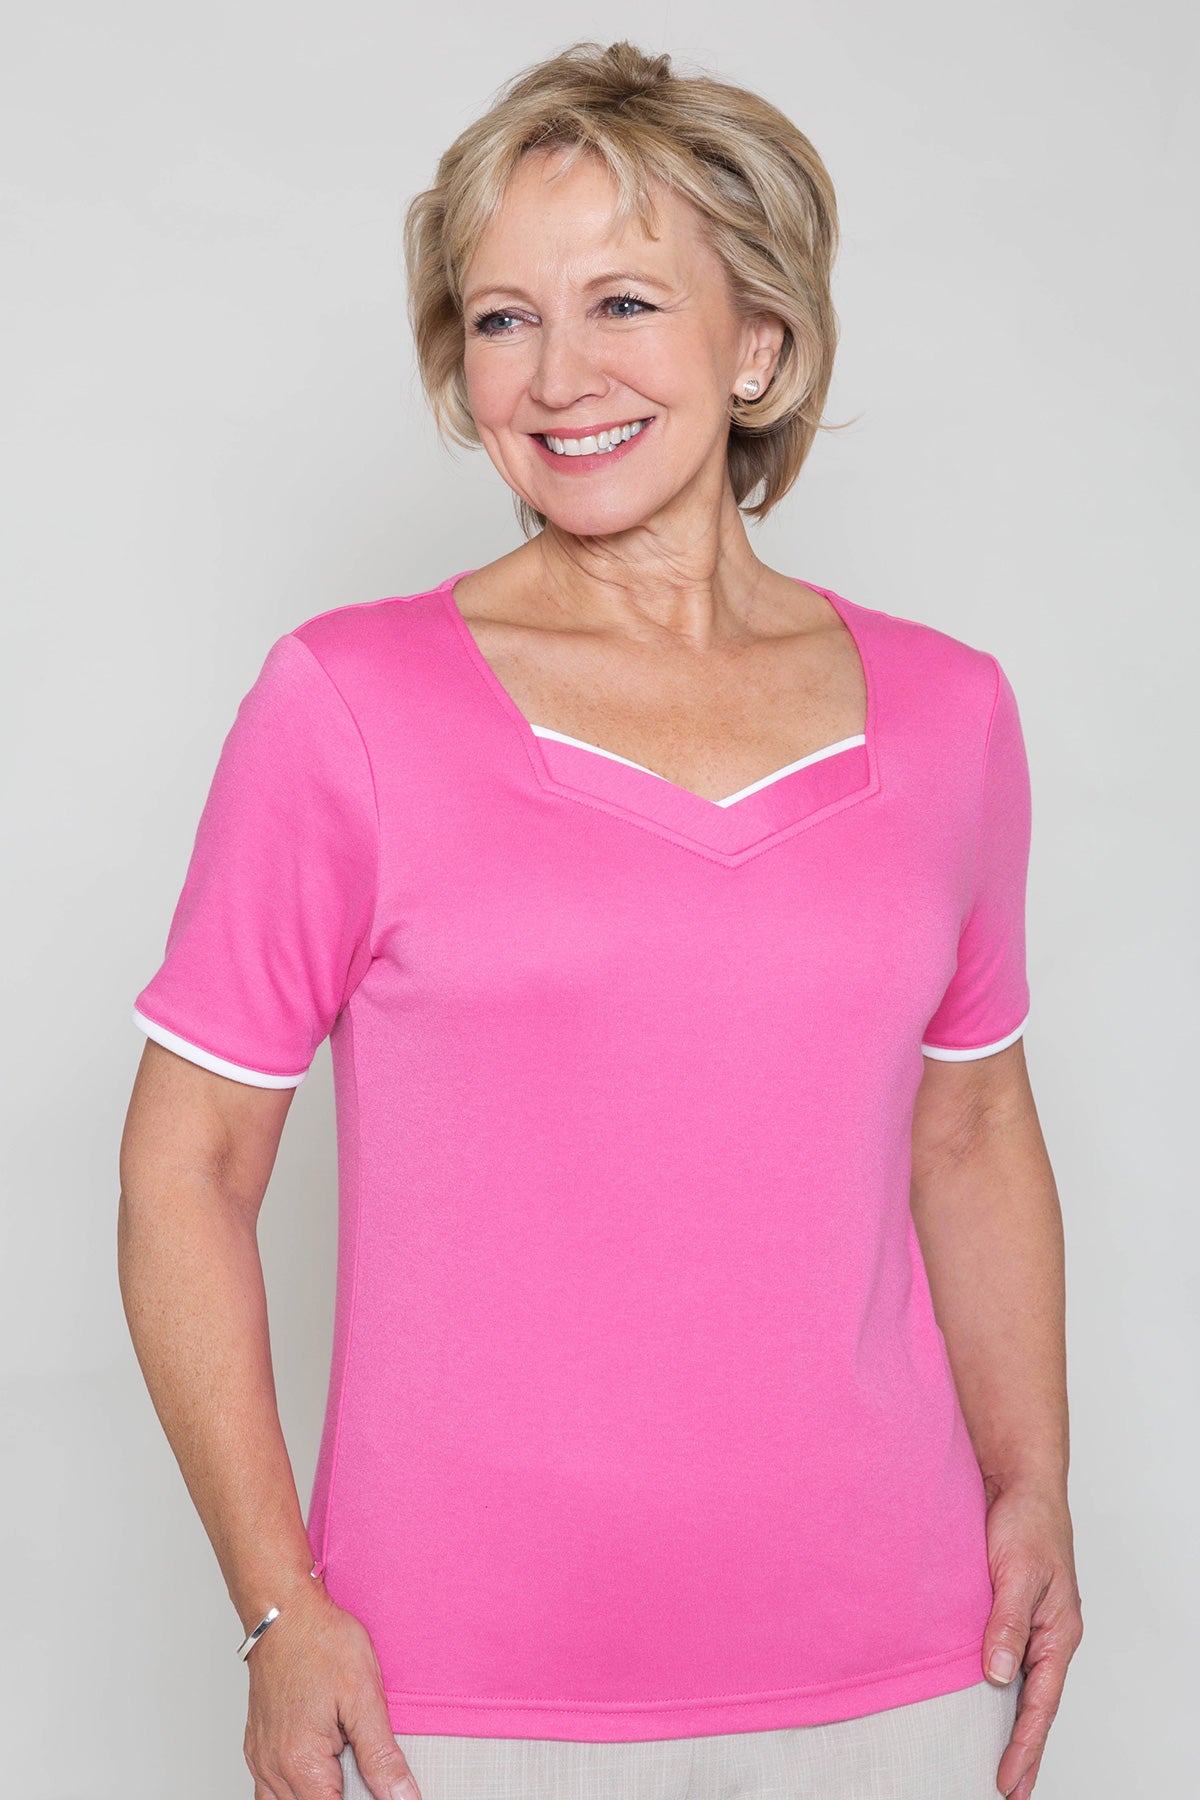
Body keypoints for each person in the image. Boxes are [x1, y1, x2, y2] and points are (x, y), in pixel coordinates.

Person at [118, 37, 1083, 1800]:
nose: (557, 377)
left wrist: (1036, 1487)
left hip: (899, 1672)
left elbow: (971, 1127)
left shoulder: (953, 717)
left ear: (759, 342)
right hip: (448, 1699)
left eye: (624, 301)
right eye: (503, 319)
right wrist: (277, 1612)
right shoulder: (350, 706)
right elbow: (187, 1172)